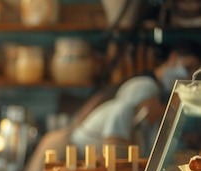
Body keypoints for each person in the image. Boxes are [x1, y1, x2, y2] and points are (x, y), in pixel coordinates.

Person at [12, 40, 201, 171]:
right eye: (155, 103)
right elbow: (116, 160)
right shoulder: (123, 111)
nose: (158, 109)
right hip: (62, 150)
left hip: (78, 159)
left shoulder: (137, 122)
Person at [69, 41, 201, 158]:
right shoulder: (141, 89)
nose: (188, 77)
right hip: (82, 158)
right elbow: (115, 155)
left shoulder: (144, 121)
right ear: (173, 58)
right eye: (188, 68)